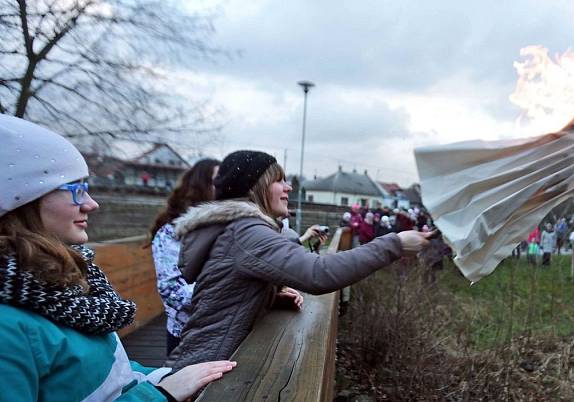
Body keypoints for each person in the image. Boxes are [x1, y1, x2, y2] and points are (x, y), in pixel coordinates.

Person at [0, 115, 234, 402]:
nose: (91, 203)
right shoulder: (9, 326)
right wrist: (160, 394)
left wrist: (160, 378)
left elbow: (110, 375)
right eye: (76, 190)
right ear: (20, 199)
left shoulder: (61, 285)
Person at [166, 150, 433, 369]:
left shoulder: (238, 229)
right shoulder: (245, 231)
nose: (289, 187)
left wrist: (268, 298)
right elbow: (318, 274)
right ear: (255, 187)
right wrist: (394, 244)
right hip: (204, 376)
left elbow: (228, 292)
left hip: (203, 364)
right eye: (279, 180)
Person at [149, 158, 220, 355]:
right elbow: (173, 292)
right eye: (217, 181)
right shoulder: (172, 233)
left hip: (225, 334)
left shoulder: (228, 228)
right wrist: (227, 288)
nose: (224, 187)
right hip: (187, 338)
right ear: (199, 186)